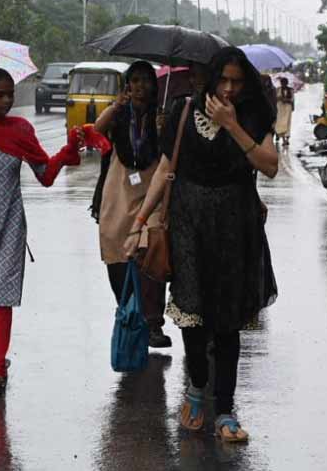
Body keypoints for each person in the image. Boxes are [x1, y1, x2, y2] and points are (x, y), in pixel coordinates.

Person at [131, 47, 279, 442]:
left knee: (229, 322)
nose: (229, 89)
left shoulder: (253, 115)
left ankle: (226, 410)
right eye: (223, 80)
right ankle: (197, 390)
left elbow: (269, 165)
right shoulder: (181, 112)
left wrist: (231, 125)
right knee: (192, 317)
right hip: (187, 226)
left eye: (237, 82)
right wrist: (141, 220)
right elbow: (165, 169)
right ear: (211, 79)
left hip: (235, 227)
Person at [0, 68, 84, 395]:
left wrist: (66, 151)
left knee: (2, 295)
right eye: (0, 94)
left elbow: (45, 174)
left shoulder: (21, 129)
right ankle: (0, 355)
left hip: (9, 221)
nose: (7, 100)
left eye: (10, 94)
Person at [90, 60, 170, 349]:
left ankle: (153, 323)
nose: (140, 87)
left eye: (146, 81)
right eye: (134, 81)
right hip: (118, 189)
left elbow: (170, 154)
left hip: (151, 188)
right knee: (116, 249)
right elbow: (94, 133)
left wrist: (163, 130)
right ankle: (127, 312)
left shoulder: (162, 116)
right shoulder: (119, 113)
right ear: (127, 85)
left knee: (151, 251)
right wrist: (115, 106)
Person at [274, 77, 295, 147]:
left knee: (287, 123)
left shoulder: (291, 90)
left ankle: (287, 139)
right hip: (280, 108)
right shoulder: (278, 90)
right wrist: (279, 98)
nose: (283, 84)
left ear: (287, 83)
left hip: (288, 108)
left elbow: (292, 100)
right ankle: (283, 139)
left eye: (285, 83)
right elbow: (275, 98)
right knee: (280, 123)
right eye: (282, 83)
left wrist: (288, 101)